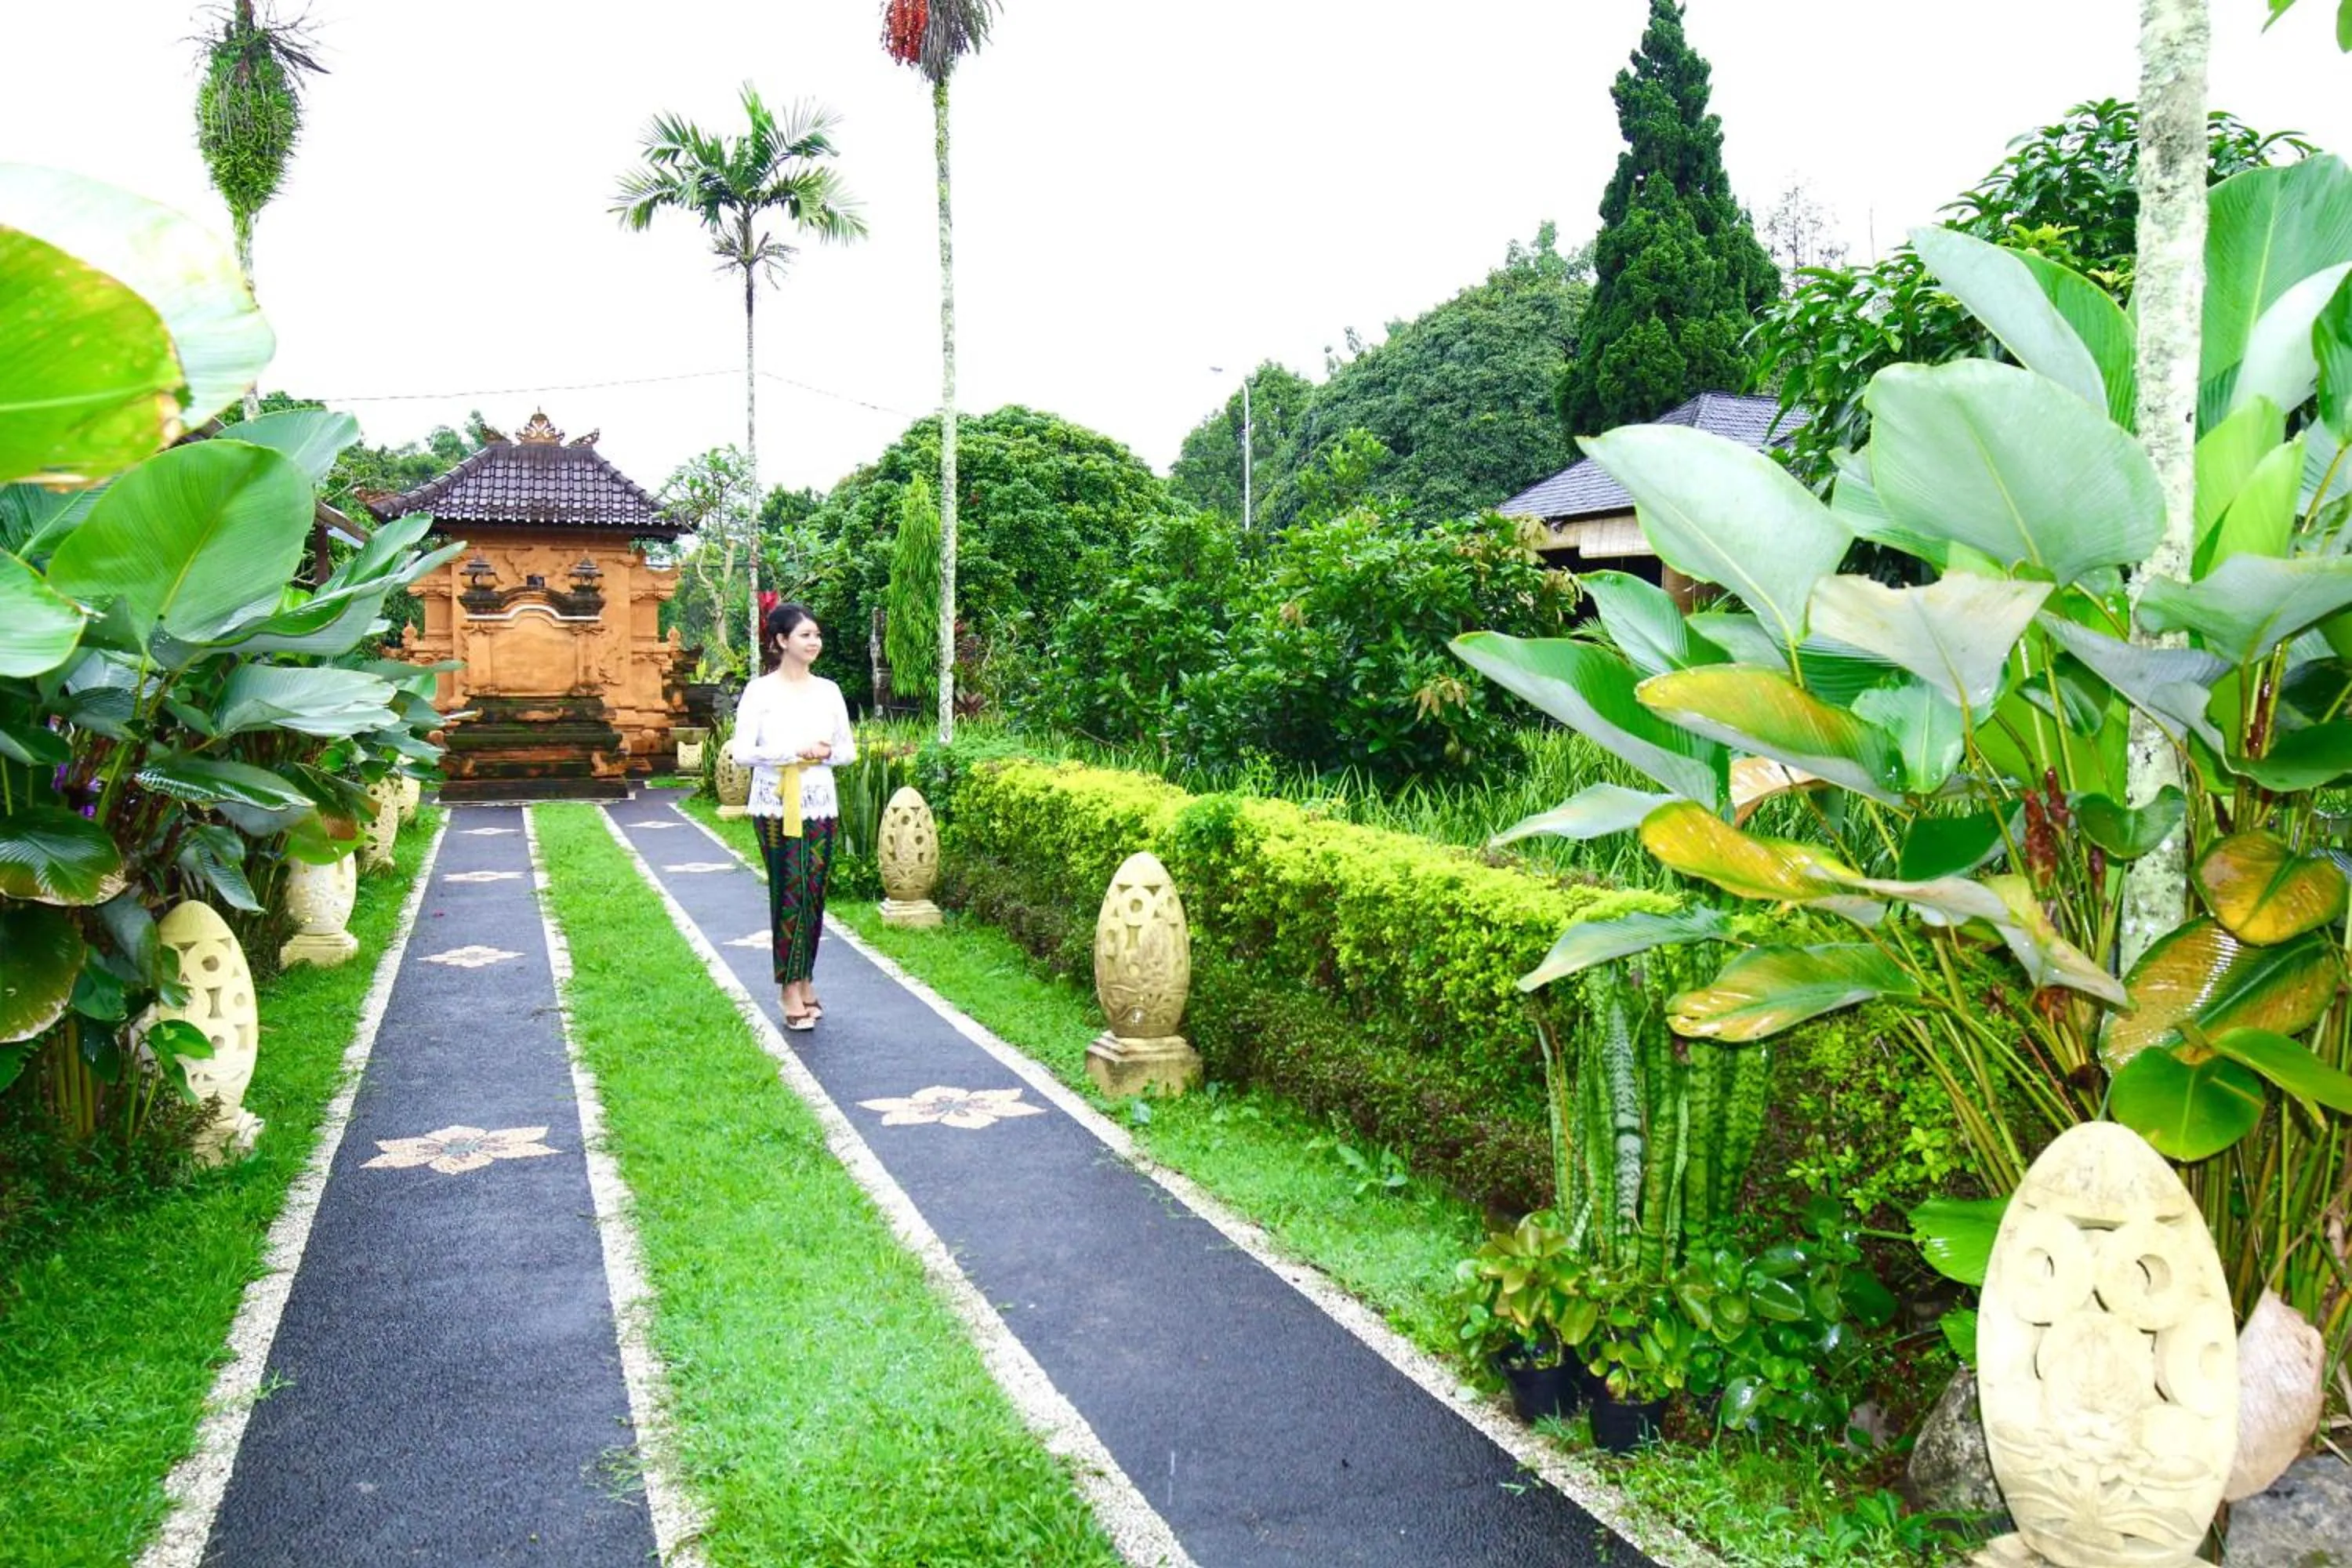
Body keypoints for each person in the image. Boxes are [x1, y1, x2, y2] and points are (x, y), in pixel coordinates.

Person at [729, 603, 857, 1031]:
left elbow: (847, 750)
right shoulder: (760, 691)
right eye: (804, 635)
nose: (814, 642)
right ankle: (787, 987)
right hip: (775, 801)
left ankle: (806, 980)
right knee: (790, 889)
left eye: (817, 635)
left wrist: (824, 753)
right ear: (782, 641)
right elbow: (743, 752)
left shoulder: (829, 691)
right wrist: (792, 752)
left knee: (815, 892)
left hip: (819, 799)